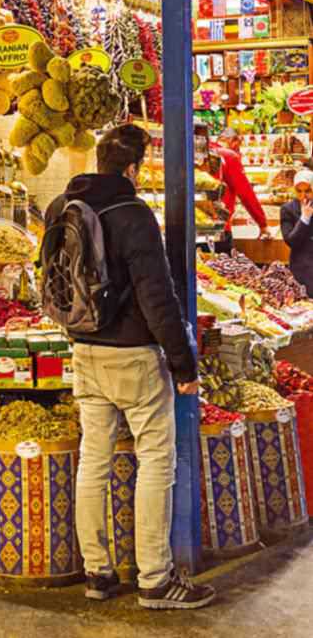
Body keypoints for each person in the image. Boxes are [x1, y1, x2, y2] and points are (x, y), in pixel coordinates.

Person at [44, 123, 215, 610]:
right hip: (134, 356)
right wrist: (183, 364)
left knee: (93, 459)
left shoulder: (63, 206)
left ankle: (98, 572)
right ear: (135, 168)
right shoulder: (133, 213)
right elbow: (156, 295)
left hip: (83, 349)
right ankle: (156, 579)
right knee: (157, 459)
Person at [211, 127, 269, 252]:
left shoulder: (199, 154)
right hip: (219, 227)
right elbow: (246, 193)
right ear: (234, 141)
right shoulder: (228, 156)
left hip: (190, 227)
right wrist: (262, 223)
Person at [280, 169, 313, 297]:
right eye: (299, 191)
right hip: (302, 267)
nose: (303, 196)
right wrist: (304, 218)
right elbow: (291, 241)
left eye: (308, 191)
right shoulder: (288, 209)